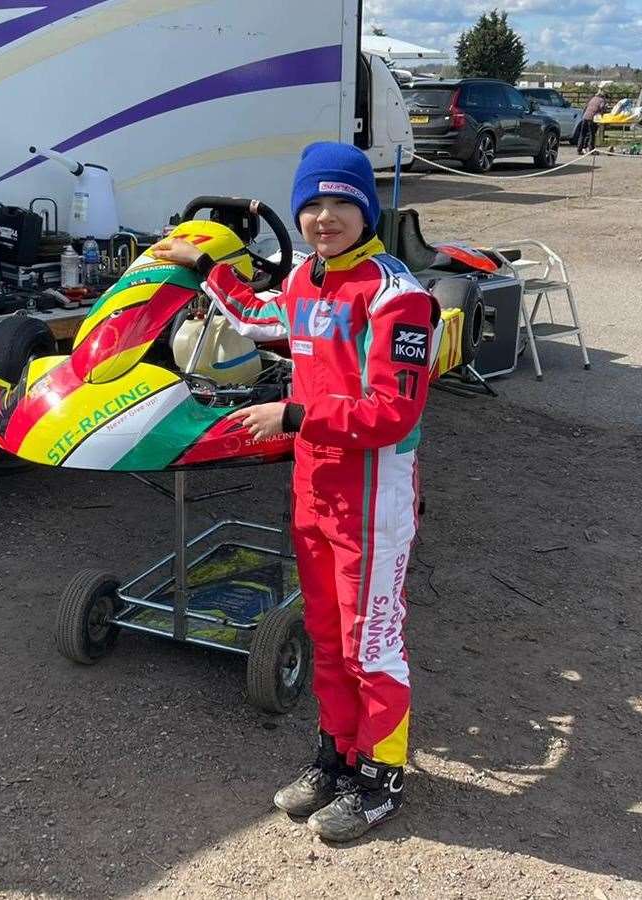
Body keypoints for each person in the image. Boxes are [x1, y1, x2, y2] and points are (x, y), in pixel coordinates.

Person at [152, 142, 440, 842]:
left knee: (372, 643)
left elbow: (391, 414)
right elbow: (257, 319)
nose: (323, 216)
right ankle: (337, 759)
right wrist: (204, 267)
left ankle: (383, 778)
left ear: (366, 207)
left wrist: (293, 416)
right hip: (315, 491)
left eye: (341, 201)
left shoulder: (399, 296)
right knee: (327, 637)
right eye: (310, 203)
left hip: (375, 503)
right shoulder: (308, 282)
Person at [578, 89, 608, 154]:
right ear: (603, 96)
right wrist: (603, 111)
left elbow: (585, 107)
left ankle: (579, 149)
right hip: (592, 118)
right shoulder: (602, 100)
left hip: (585, 117)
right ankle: (591, 150)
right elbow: (602, 107)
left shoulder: (593, 98)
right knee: (592, 134)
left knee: (582, 134)